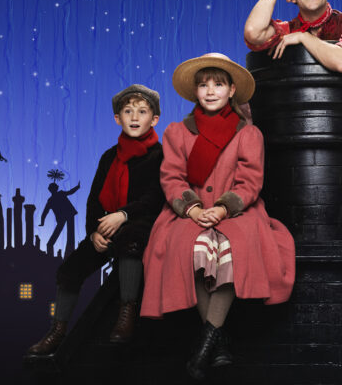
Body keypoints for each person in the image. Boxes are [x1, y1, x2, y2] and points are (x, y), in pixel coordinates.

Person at [140, 53, 295, 381]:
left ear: (231, 90)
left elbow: (250, 181)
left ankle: (203, 347)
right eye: (203, 85)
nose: (210, 91)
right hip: (190, 210)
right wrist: (194, 209)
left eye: (219, 84)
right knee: (188, 249)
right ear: (195, 92)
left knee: (231, 251)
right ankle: (218, 342)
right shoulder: (177, 132)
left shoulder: (248, 134)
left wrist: (223, 208)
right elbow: (172, 177)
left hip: (236, 211)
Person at [27, 85, 165, 355]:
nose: (134, 117)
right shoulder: (109, 157)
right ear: (117, 118)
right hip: (107, 226)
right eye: (128, 111)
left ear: (154, 119)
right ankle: (58, 330)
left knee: (131, 240)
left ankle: (127, 311)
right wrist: (94, 232)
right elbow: (94, 200)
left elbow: (155, 197)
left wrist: (123, 215)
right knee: (70, 270)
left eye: (142, 112)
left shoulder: (160, 155)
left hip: (141, 223)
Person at [39, 181, 81, 256]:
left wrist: (42, 222)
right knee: (68, 234)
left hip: (67, 214)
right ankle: (53, 246)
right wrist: (42, 222)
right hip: (66, 215)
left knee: (69, 234)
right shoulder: (52, 199)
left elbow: (45, 212)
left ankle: (68, 251)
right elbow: (45, 212)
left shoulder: (53, 199)